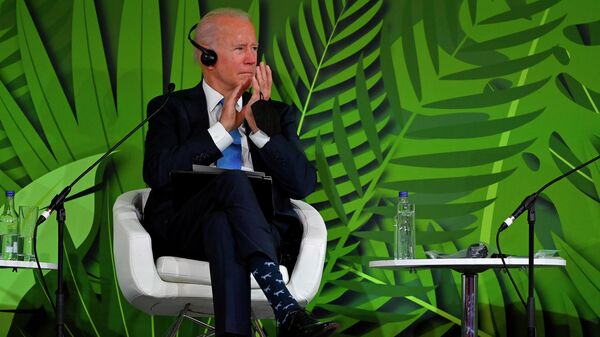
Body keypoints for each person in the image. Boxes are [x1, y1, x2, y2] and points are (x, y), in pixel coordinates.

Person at [142, 8, 339, 337]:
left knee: (223, 225)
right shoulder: (169, 108)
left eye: (254, 48)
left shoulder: (276, 114)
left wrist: (260, 130)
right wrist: (221, 132)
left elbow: (303, 184)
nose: (252, 59)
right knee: (231, 181)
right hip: (185, 229)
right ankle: (287, 310)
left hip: (261, 230)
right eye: (240, 49)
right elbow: (157, 173)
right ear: (207, 56)